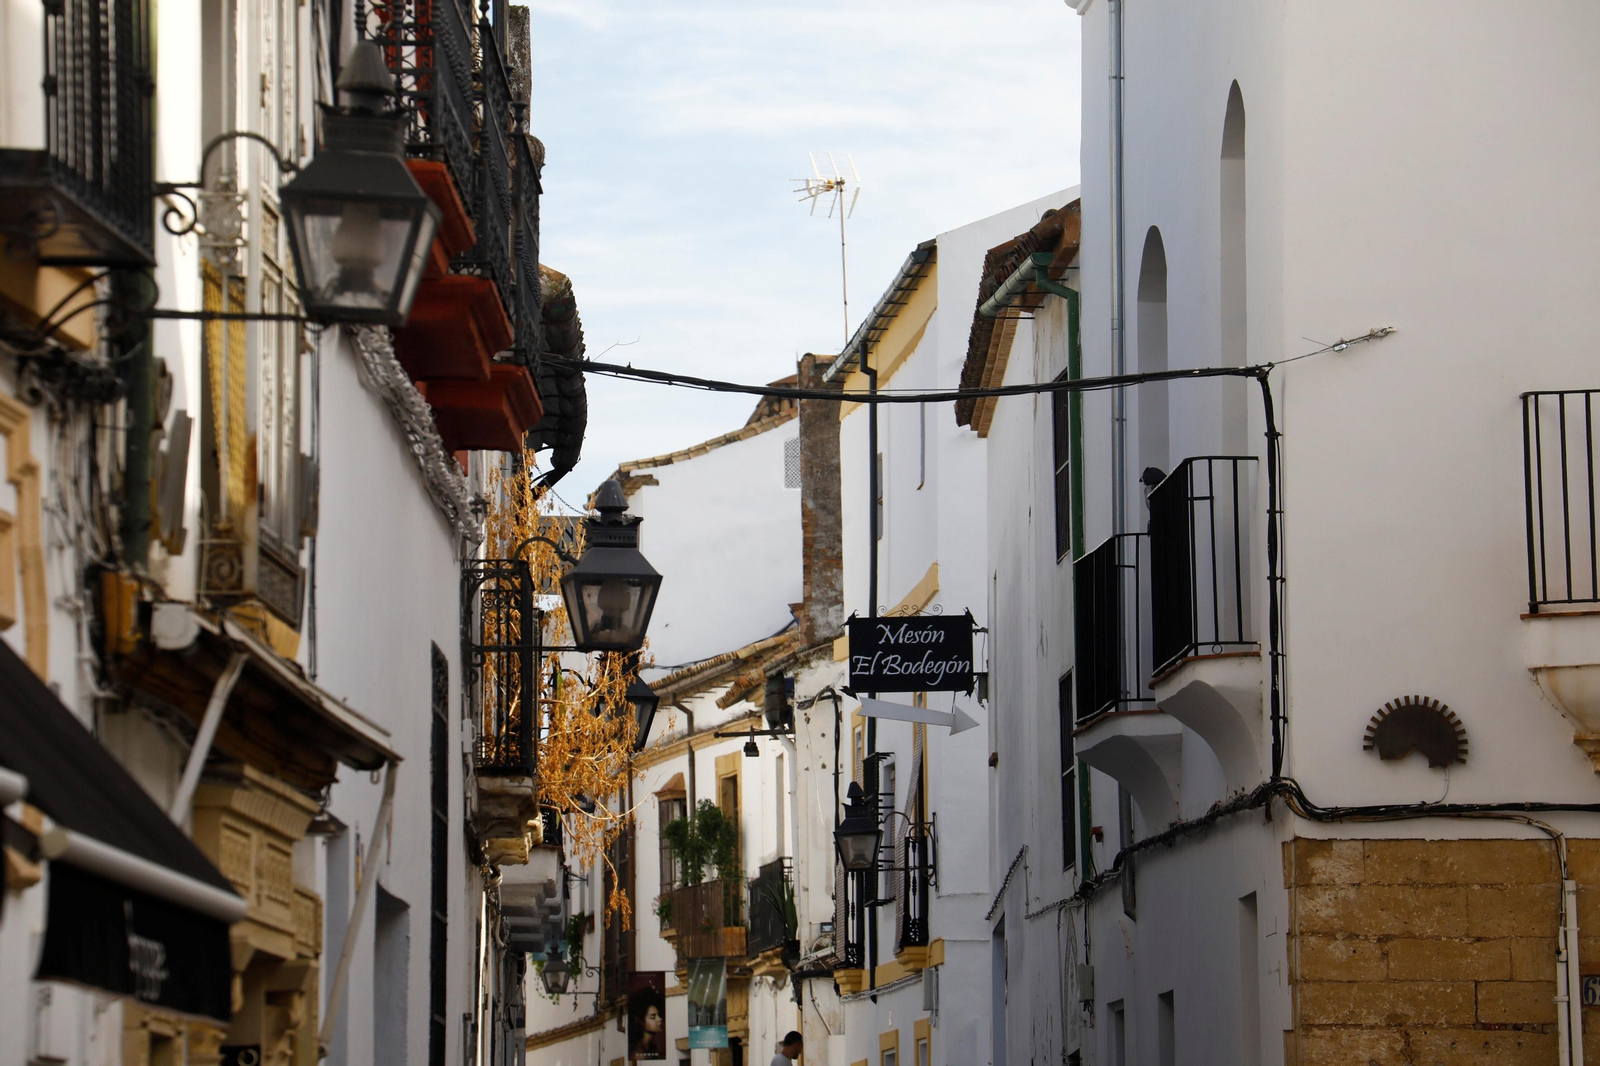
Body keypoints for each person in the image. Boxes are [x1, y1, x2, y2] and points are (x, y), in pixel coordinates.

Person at [629, 988, 667, 1060]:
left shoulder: (652, 1047)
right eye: (653, 1017)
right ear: (641, 1022)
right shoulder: (638, 1053)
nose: (659, 1019)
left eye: (659, 1015)